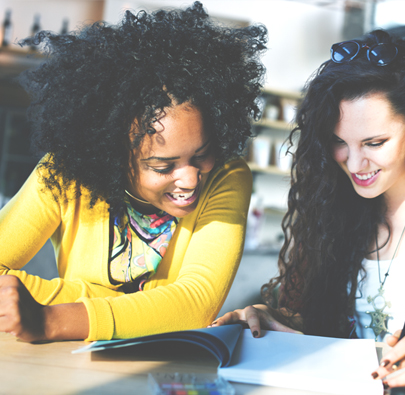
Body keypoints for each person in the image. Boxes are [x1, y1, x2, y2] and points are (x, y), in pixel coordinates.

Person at [212, 29, 405, 390]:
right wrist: (277, 322)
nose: (355, 163)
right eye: (339, 142)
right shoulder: (329, 193)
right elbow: (311, 321)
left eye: (374, 142)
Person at [0, 2, 267, 343]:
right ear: (113, 154)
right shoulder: (65, 174)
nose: (189, 179)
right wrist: (148, 311)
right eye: (163, 166)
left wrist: (50, 319)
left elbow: (195, 305)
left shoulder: (227, 177)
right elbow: (180, 309)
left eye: (202, 154)